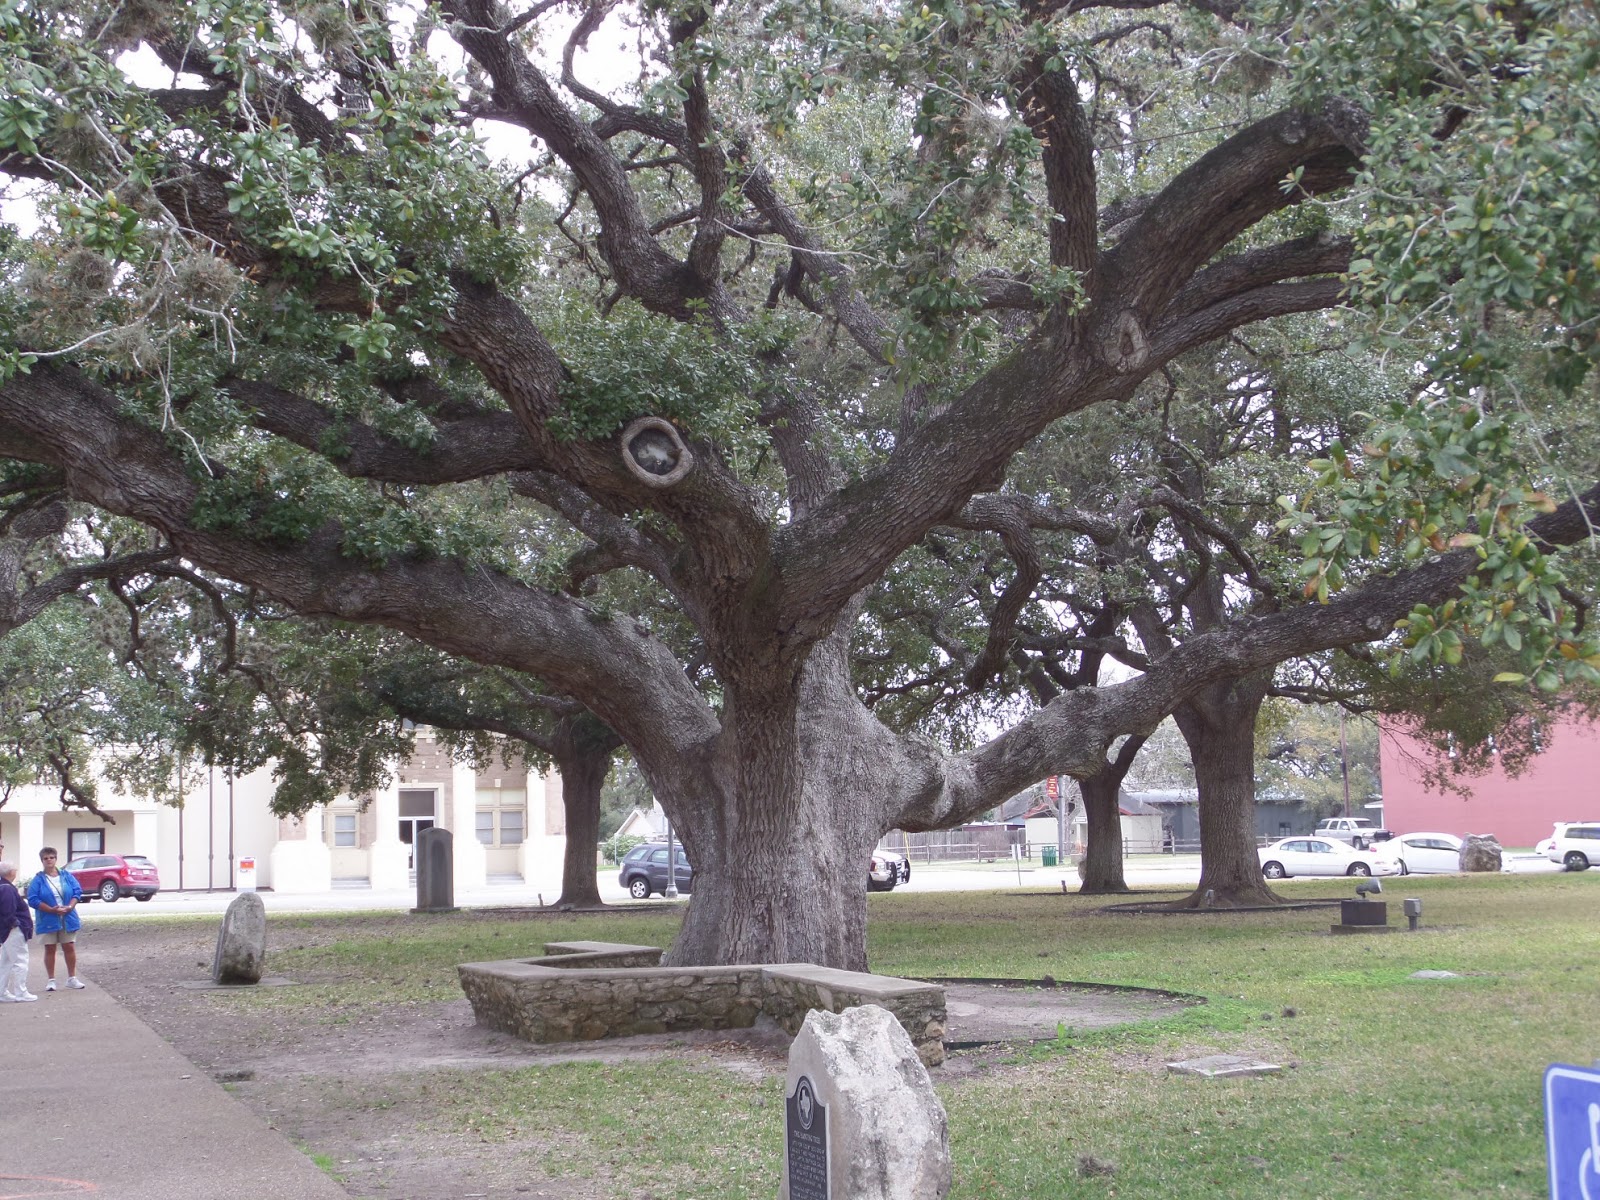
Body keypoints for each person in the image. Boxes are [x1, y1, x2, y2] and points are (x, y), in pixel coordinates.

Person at [26, 847, 85, 991]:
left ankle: (72, 978)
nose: (49, 860)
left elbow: (77, 891)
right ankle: (51, 980)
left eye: (51, 857)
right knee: (50, 948)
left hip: (67, 916)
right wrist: (51, 909)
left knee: (69, 946)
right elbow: (33, 899)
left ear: (56, 859)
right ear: (42, 860)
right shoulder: (38, 879)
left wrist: (70, 906)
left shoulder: (66, 876)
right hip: (48, 918)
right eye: (46, 858)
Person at [0, 861, 38, 1001]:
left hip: (6, 930)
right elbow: (7, 910)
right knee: (20, 961)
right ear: (11, 872)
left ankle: (2, 991)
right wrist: (15, 924)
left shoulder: (3, 886)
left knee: (6, 962)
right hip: (13, 930)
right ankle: (21, 992)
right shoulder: (7, 888)